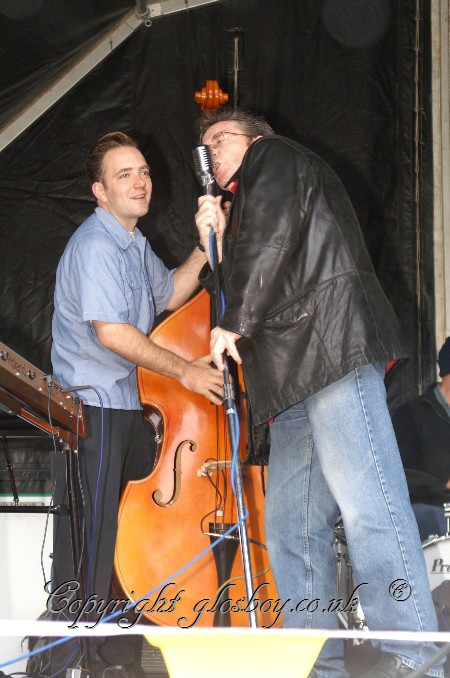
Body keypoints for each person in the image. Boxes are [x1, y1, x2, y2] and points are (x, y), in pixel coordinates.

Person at [194, 108, 444, 678]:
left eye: (218, 140)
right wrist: (217, 244)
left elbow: (272, 242)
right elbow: (251, 270)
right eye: (203, 149)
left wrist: (234, 320)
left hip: (329, 349)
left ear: (251, 137)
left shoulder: (272, 155)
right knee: (290, 527)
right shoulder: (248, 202)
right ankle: (314, 663)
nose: (210, 156)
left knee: (367, 503)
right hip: (291, 377)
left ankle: (417, 658)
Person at [48, 131, 223, 676]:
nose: (140, 181)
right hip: (92, 409)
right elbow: (115, 334)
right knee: (91, 541)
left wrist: (205, 244)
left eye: (143, 171)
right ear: (99, 191)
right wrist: (186, 371)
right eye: (124, 174)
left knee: (123, 536)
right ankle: (69, 661)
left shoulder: (131, 241)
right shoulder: (96, 246)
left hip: (124, 408)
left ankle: (111, 657)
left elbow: (168, 293)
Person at [392, 338, 450, 542]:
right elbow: (400, 475)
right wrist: (443, 484)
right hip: (429, 512)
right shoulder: (409, 415)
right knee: (428, 516)